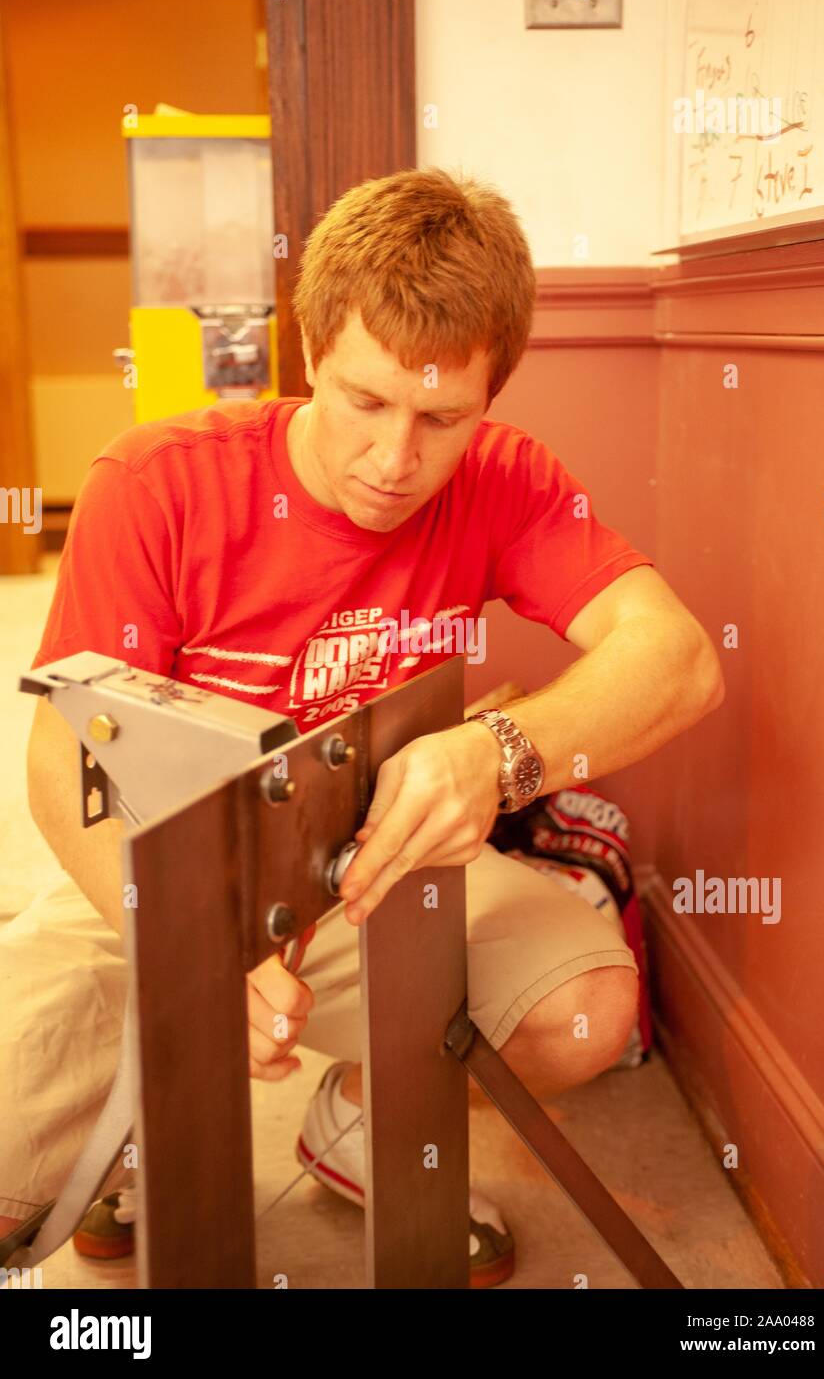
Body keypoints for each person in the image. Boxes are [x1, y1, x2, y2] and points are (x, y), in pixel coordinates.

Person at [1, 166, 724, 1288]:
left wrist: (499, 751)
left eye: (442, 418)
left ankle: (351, 1121)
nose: (395, 462)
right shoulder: (154, 483)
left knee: (585, 1013)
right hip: (157, 874)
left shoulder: (505, 479)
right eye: (365, 402)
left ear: (491, 397)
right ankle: (134, 1132)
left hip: (374, 870)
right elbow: (62, 759)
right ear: (308, 358)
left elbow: (677, 659)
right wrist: (177, 946)